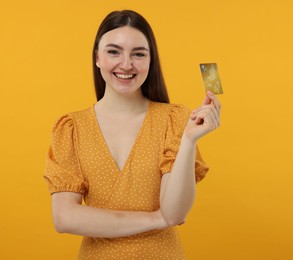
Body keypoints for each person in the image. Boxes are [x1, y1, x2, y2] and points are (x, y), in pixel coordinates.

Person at [43, 9, 221, 259]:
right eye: (114, 51)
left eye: (138, 54)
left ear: (151, 61)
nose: (126, 64)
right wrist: (155, 219)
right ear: (97, 57)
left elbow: (175, 212)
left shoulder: (175, 119)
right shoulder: (71, 127)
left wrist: (189, 141)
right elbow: (64, 218)